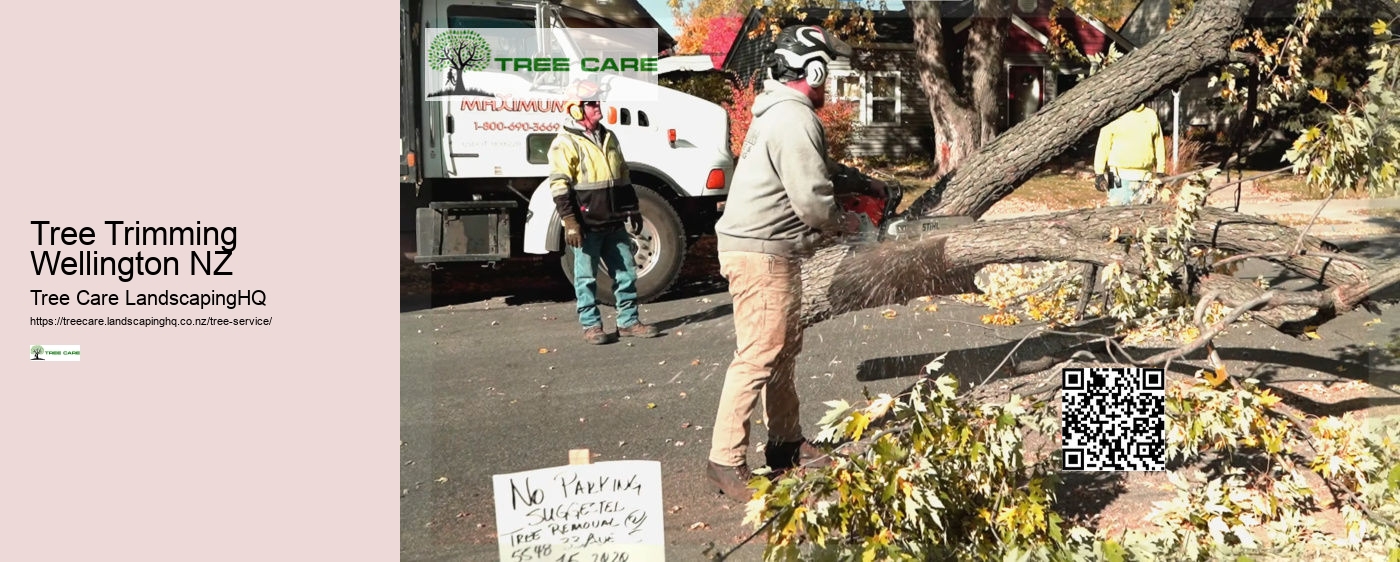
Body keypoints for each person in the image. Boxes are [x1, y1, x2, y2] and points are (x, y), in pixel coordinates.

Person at [705, 25, 885, 499]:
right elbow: (811, 202)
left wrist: (860, 184)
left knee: (781, 351)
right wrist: (850, 224)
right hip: (762, 253)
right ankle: (724, 460)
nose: (828, 84)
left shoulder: (780, 114)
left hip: (773, 251)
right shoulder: (794, 117)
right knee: (759, 355)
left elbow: (814, 174)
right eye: (825, 73)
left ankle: (784, 442)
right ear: (813, 68)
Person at [548, 79, 659, 345]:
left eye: (598, 101)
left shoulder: (609, 136)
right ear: (576, 109)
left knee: (626, 272)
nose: (598, 107)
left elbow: (623, 177)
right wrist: (570, 222)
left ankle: (628, 322)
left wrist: (632, 208)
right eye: (592, 103)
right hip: (586, 225)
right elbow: (559, 184)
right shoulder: (565, 142)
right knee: (585, 278)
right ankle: (591, 327)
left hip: (613, 221)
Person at [1094, 104, 1166, 205]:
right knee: (1117, 216)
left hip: (1145, 178)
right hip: (1116, 177)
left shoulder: (1150, 115)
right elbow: (1103, 145)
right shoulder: (1114, 115)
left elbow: (1159, 144)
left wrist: (1160, 170)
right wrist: (1099, 173)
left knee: (1142, 217)